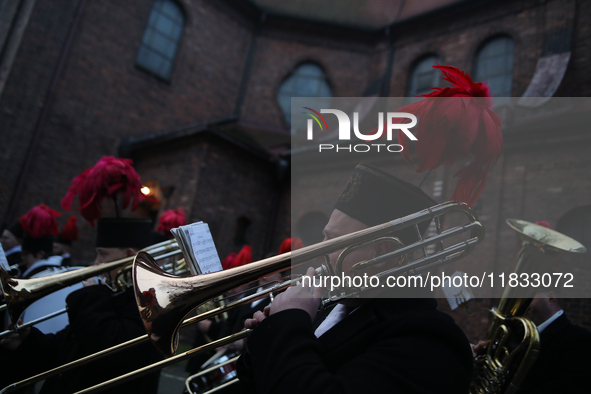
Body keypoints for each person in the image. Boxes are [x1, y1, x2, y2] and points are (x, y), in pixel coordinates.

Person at [236, 163, 474, 394]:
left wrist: (286, 326)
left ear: (382, 252)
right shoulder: (330, 308)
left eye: (335, 241)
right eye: (324, 238)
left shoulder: (430, 340)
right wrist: (261, 345)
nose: (320, 251)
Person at [0, 217, 162, 394]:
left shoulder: (151, 305)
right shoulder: (112, 294)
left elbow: (109, 353)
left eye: (103, 254)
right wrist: (28, 341)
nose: (96, 262)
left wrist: (93, 296)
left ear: (130, 256)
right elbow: (67, 347)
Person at [518, 291, 591, 393]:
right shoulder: (519, 334)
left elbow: (567, 388)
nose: (521, 304)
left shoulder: (578, 339)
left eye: (529, 297)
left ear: (551, 298)